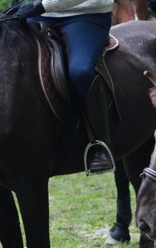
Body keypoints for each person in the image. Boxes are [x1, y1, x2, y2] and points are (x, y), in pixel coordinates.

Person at [16, 0, 115, 175]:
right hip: (37, 14)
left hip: (85, 16)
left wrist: (42, 4)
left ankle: (100, 145)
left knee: (81, 72)